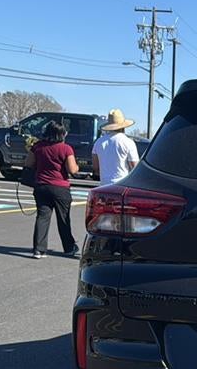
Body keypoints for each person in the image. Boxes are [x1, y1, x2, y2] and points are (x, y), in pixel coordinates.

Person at [25, 121, 79, 259]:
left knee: (42, 217)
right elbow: (72, 170)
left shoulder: (37, 147)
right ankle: (69, 247)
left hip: (41, 186)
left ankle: (39, 249)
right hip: (60, 187)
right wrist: (78, 167)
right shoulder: (66, 148)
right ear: (61, 134)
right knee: (63, 219)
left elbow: (28, 164)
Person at [92, 109, 140, 185]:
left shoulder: (99, 142)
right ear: (123, 127)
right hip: (121, 185)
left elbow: (95, 167)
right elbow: (134, 168)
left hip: (104, 184)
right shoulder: (128, 142)